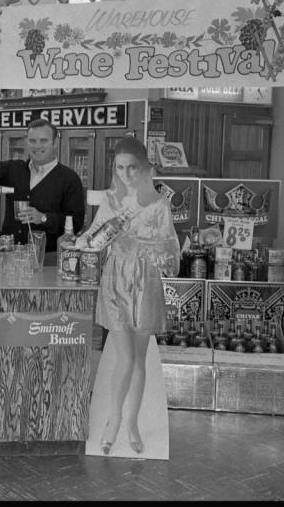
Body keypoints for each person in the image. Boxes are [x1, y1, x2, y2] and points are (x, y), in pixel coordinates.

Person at [76, 136, 179, 455]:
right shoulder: (110, 200)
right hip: (115, 281)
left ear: (144, 168)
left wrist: (143, 245)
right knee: (126, 357)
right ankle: (114, 420)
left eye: (131, 168)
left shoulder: (159, 204)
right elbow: (91, 239)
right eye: (119, 168)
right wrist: (87, 240)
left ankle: (130, 421)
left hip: (145, 281)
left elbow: (172, 253)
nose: (125, 174)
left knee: (137, 359)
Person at [0, 118, 85, 258]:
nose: (37, 146)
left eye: (43, 141)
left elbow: (76, 223)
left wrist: (43, 218)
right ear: (27, 142)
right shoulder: (14, 169)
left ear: (55, 143)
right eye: (32, 141)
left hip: (47, 259)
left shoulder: (69, 178)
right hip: (9, 255)